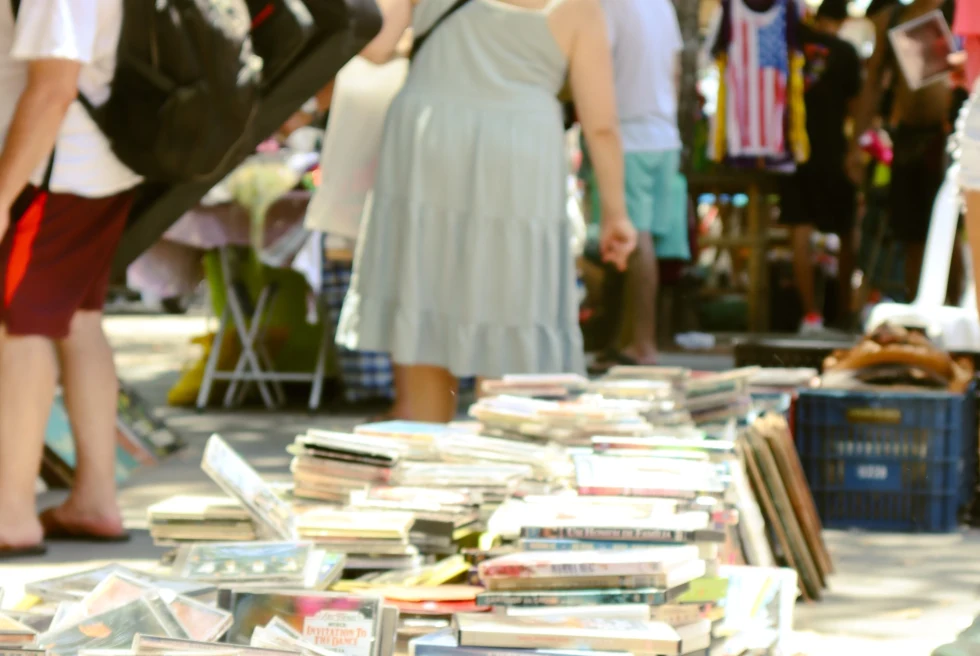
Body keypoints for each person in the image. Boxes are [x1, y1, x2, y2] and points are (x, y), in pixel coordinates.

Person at [336, 0, 637, 423]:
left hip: (430, 141)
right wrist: (615, 214)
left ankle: (424, 459)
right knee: (513, 330)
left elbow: (375, 45)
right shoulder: (580, 6)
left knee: (424, 321)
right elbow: (600, 123)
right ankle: (503, 451)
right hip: (519, 152)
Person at [0, 0, 142, 559]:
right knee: (80, 321)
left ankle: (10, 510)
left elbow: (55, 85)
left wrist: (3, 193)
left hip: (53, 168)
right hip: (92, 163)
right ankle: (95, 498)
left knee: (20, 325)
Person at [587, 0, 684, 370]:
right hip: (662, 134)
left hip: (629, 137)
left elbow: (594, 65)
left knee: (634, 239)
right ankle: (629, 341)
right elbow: (675, 71)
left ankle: (641, 344)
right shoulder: (661, 6)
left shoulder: (609, 6)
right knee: (644, 244)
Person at [852, 0, 953, 301]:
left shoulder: (959, 10)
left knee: (949, 231)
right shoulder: (894, 17)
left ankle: (952, 312)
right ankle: (918, 313)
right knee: (912, 235)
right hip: (908, 140)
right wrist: (855, 145)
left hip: (948, 136)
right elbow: (872, 85)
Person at [779, 0, 862, 332]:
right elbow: (856, 107)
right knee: (845, 231)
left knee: (801, 230)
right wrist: (855, 151)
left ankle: (810, 314)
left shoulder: (792, 44)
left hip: (793, 152)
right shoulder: (846, 51)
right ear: (841, 21)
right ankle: (843, 311)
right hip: (833, 153)